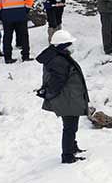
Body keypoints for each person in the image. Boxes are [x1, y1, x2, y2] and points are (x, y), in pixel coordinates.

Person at [36, 30, 89, 164]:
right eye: (69, 44)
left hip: (68, 97)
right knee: (70, 127)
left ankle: (72, 147)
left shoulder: (58, 56)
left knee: (71, 125)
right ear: (62, 46)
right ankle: (67, 155)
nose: (72, 46)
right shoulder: (59, 61)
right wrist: (50, 94)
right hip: (66, 99)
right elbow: (56, 82)